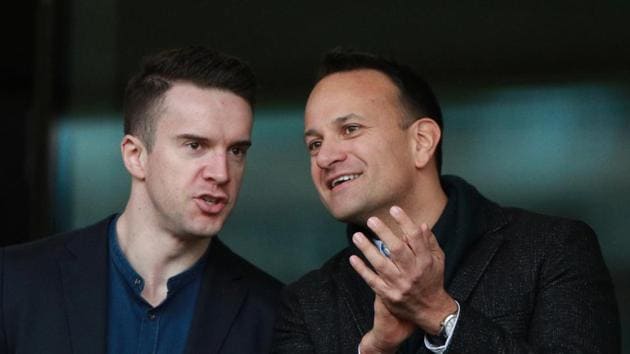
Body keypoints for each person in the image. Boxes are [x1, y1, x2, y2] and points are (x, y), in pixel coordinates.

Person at [272, 48, 620, 353]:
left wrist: (439, 314)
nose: (324, 157)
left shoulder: (552, 250)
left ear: (422, 141)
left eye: (350, 129)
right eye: (314, 144)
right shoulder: (306, 303)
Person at [0, 46, 282, 354]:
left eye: (236, 151)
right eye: (195, 145)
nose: (221, 173)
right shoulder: (15, 282)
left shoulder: (272, 313)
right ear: (136, 156)